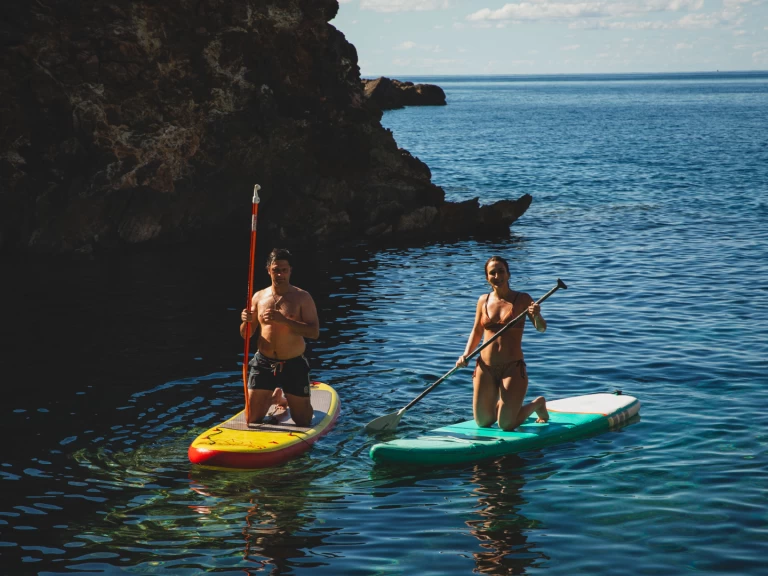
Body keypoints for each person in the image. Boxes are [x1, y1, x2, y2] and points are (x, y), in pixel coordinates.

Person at [456, 256, 549, 431]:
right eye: (492, 273)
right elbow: (476, 331)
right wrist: (466, 354)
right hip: (485, 367)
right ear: (487, 278)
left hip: (512, 368)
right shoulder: (483, 300)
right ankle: (505, 407)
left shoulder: (522, 299)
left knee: (506, 425)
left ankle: (537, 404)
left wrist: (536, 315)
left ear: (508, 274)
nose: (497, 276)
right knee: (483, 422)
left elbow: (541, 329)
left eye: (501, 271)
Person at [240, 248, 320, 427]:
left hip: (293, 362)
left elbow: (314, 333)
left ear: (290, 271)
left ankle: (285, 398)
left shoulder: (302, 297)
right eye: (276, 269)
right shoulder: (259, 297)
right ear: (268, 269)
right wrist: (246, 321)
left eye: (284, 270)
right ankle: (274, 396)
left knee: (303, 421)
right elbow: (246, 334)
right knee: (252, 419)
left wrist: (284, 321)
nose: (280, 274)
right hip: (264, 362)